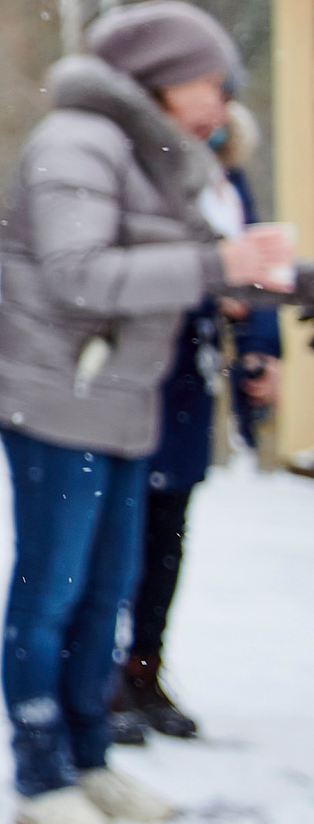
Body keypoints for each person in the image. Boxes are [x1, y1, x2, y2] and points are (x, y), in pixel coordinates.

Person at [0, 1, 293, 824]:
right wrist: (213, 265)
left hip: (121, 400)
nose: (221, 104)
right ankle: (40, 769)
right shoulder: (77, 142)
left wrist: (277, 282)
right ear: (159, 75)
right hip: (56, 401)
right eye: (210, 84)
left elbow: (188, 263)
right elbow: (81, 274)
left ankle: (89, 752)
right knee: (53, 590)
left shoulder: (160, 158)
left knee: (108, 588)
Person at [113, 100, 280, 745]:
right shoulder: (143, 181)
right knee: (118, 534)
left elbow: (260, 269)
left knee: (167, 535)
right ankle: (100, 673)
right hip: (138, 373)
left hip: (192, 381)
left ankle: (145, 665)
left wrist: (260, 340)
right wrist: (203, 281)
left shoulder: (228, 189)